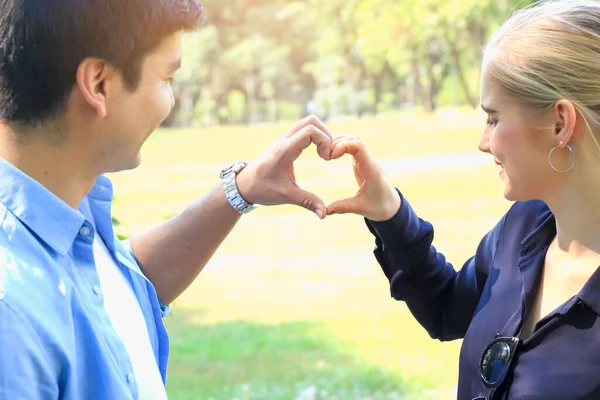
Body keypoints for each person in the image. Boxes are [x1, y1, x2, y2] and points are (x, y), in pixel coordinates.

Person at [0, 1, 334, 399]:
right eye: (167, 78)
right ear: (99, 84)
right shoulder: (12, 319)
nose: (170, 101)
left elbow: (117, 290)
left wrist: (242, 190)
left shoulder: (67, 211)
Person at [325, 1, 600, 399]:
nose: (482, 142)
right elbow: (447, 309)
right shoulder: (522, 228)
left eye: (493, 118)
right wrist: (390, 213)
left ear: (560, 122)